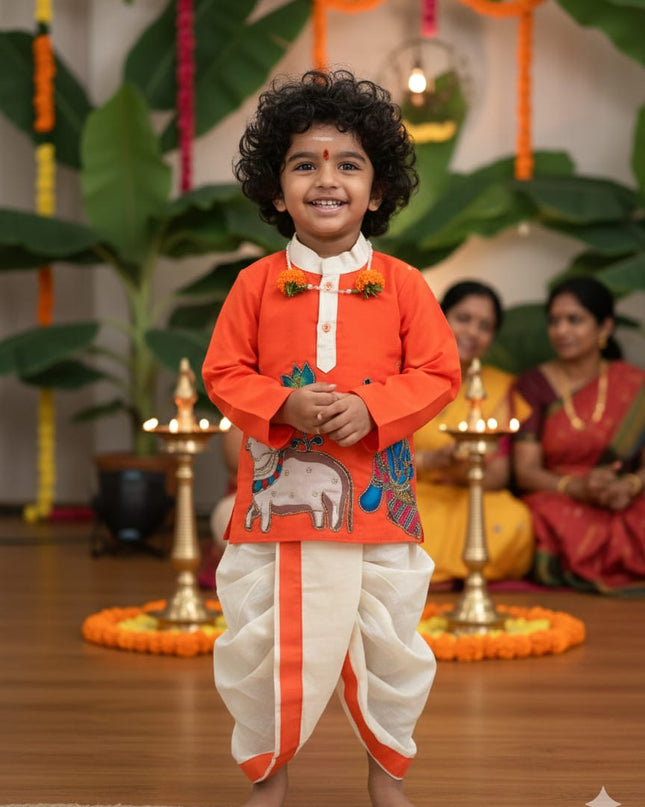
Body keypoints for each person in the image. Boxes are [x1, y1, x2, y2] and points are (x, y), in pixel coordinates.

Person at [202, 69, 461, 807]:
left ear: (376, 191)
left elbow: (439, 372)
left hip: (380, 510)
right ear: (276, 189)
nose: (326, 180)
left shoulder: (404, 284)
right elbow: (223, 373)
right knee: (265, 647)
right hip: (276, 514)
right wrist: (284, 403)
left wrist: (372, 408)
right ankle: (268, 777)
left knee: (390, 651)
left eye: (348, 164)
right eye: (303, 164)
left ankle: (387, 777)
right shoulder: (254, 284)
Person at [514, 276, 645, 593]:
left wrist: (629, 485)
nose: (561, 331)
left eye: (574, 320)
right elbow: (526, 471)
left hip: (622, 495)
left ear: (605, 327)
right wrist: (576, 487)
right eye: (554, 321)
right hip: (559, 495)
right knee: (543, 518)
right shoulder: (533, 385)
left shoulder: (634, 384)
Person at [414, 280, 534, 585]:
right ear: (440, 318)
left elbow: (497, 476)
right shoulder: (404, 374)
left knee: (514, 519)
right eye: (463, 318)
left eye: (484, 326)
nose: (472, 332)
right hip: (411, 492)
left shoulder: (497, 386)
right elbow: (376, 462)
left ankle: (437, 575)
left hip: (467, 494)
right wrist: (432, 461)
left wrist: (461, 468)